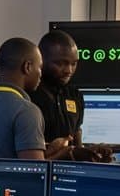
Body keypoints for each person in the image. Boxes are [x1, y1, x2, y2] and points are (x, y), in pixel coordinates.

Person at [0, 37, 67, 160]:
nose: (41, 73)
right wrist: (64, 154)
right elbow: (34, 172)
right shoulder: (27, 111)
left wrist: (44, 149)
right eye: (39, 67)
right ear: (27, 67)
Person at [32, 29, 110, 162]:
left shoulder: (75, 95)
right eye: (60, 63)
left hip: (72, 175)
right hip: (40, 173)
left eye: (74, 63)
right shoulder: (28, 97)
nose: (69, 70)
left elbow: (76, 138)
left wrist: (91, 153)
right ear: (41, 60)